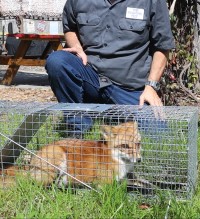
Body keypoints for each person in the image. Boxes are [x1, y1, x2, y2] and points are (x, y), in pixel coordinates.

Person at [45, 0, 175, 135]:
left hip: (128, 89)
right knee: (57, 61)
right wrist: (76, 46)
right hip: (91, 79)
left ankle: (110, 114)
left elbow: (162, 46)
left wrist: (151, 86)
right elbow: (70, 27)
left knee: (159, 134)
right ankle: (77, 128)